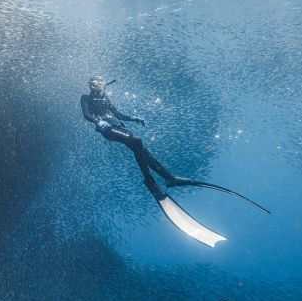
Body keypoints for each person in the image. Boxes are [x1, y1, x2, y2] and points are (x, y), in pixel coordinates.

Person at [81, 76, 268, 247]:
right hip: (107, 130)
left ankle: (169, 178)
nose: (101, 87)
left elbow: (119, 115)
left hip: (117, 125)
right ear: (92, 86)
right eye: (98, 84)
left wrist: (134, 119)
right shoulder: (86, 98)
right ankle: (150, 181)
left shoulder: (105, 99)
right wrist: (98, 122)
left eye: (101, 84)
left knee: (143, 150)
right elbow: (87, 115)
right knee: (137, 142)